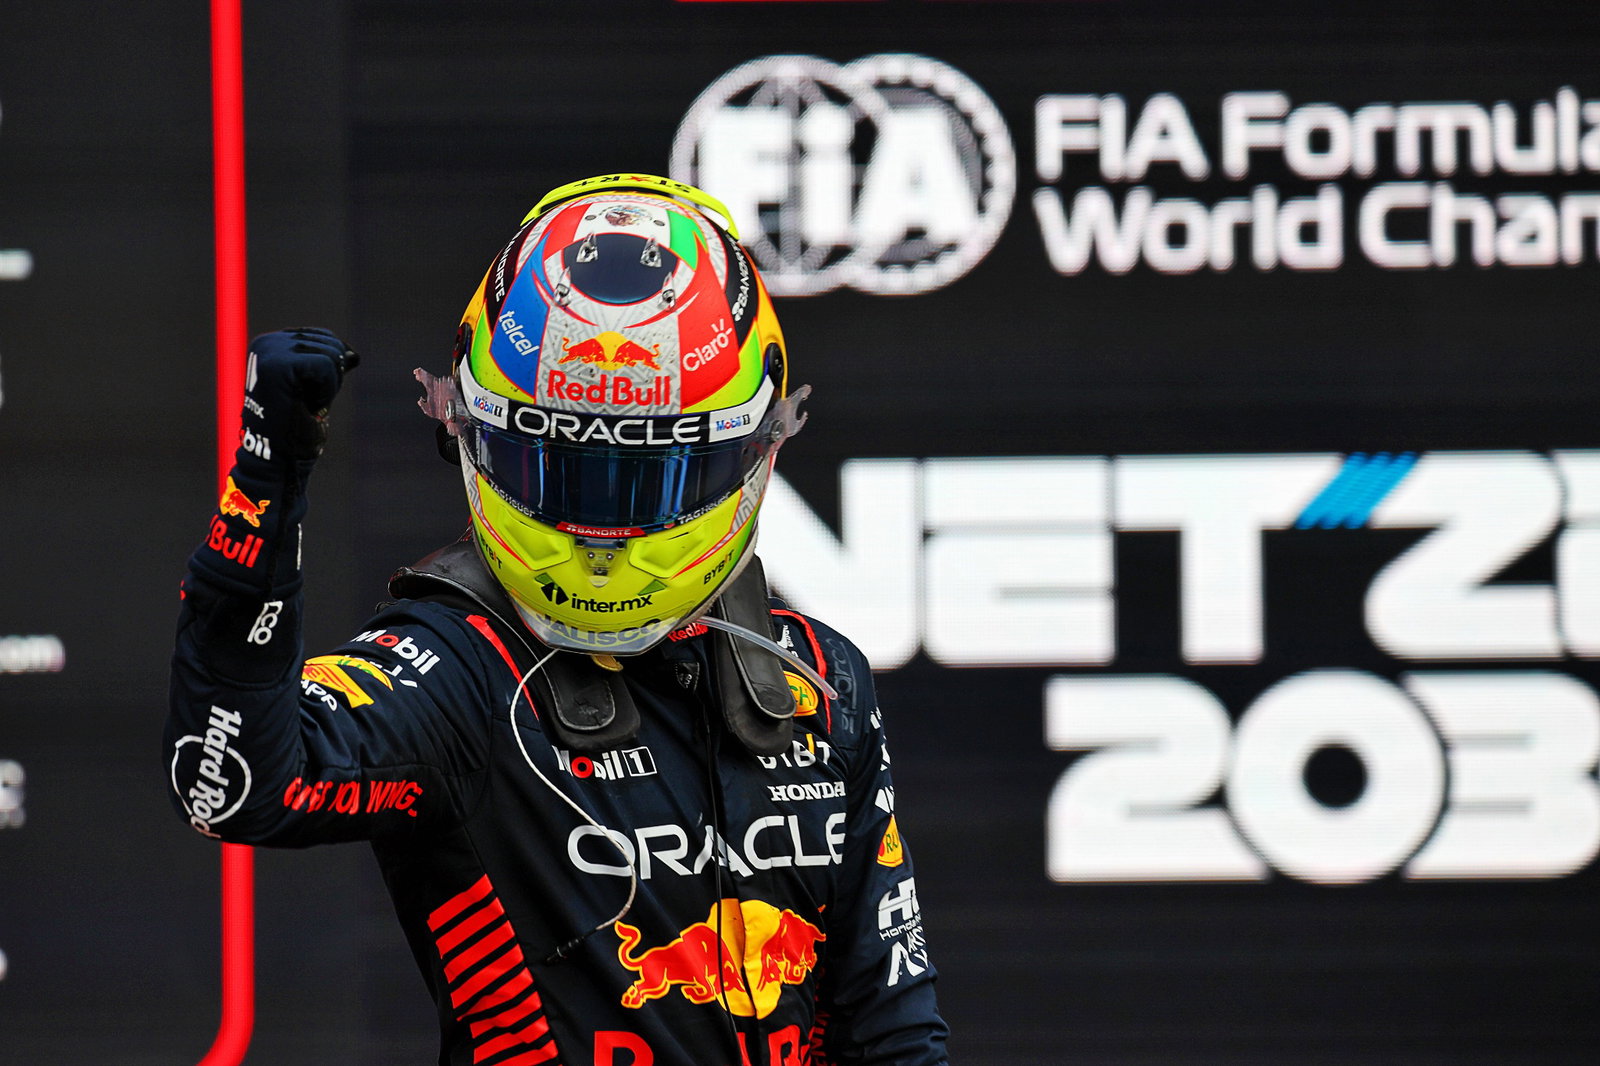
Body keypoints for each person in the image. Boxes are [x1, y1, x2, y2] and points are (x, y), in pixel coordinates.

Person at [166, 173, 949, 1066]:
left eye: (646, 482)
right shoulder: (459, 670)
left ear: (753, 447)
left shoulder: (820, 678)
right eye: (560, 472)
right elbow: (226, 784)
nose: (601, 533)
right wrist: (261, 505)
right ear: (468, 432)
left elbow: (893, 1027)